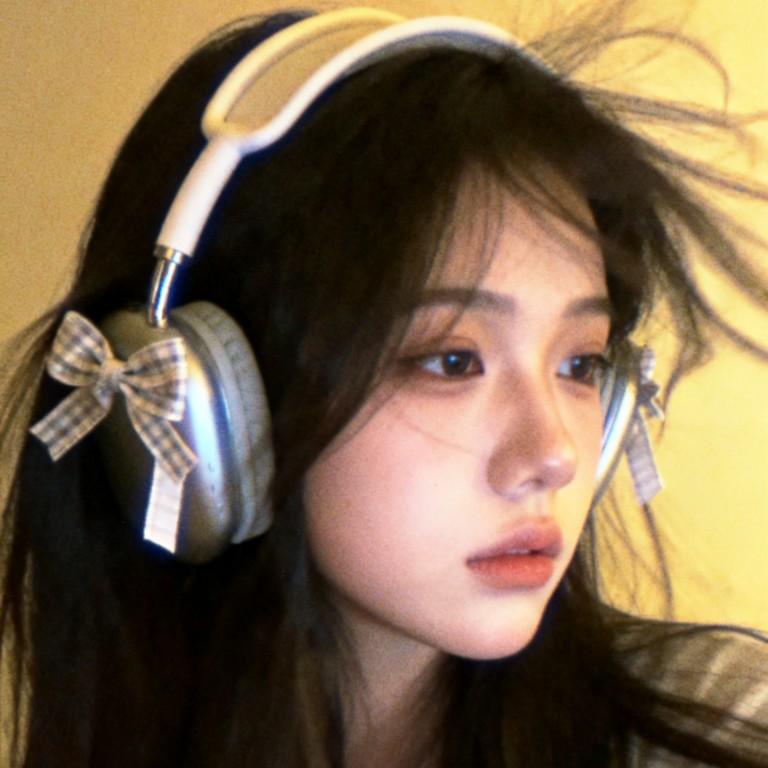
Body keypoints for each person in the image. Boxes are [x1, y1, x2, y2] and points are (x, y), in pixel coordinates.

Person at [1, 5, 767, 767]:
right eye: (453, 361)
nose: (555, 456)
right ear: (205, 407)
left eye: (581, 364)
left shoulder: (726, 724)